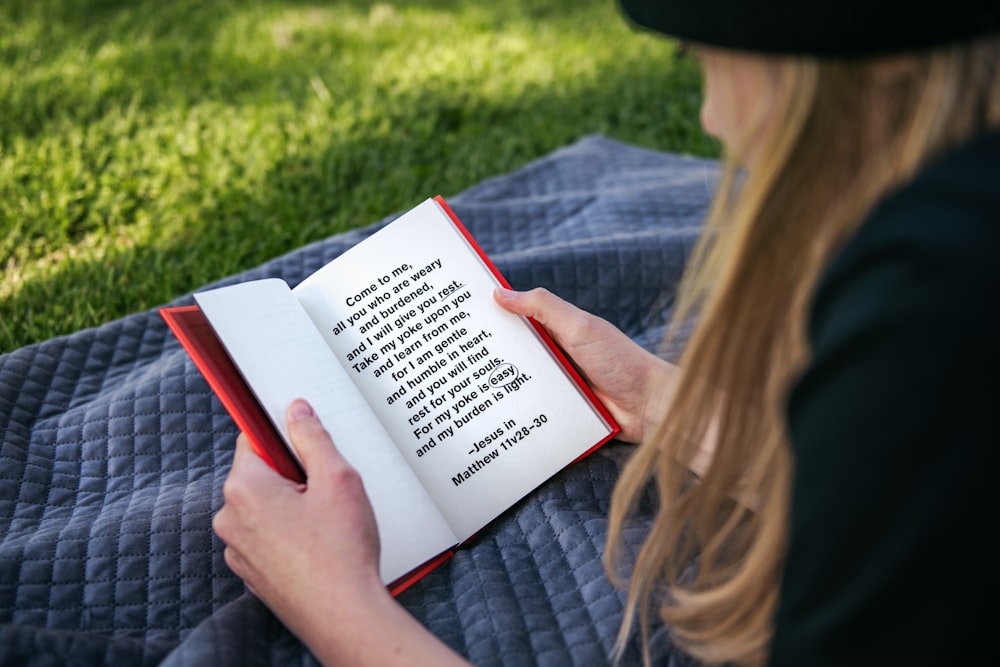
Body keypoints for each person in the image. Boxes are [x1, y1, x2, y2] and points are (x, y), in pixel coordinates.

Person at [212, 1, 1000, 664]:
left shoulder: (928, 299)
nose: (710, 117)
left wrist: (336, 606)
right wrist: (661, 402)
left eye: (709, 59)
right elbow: (920, 509)